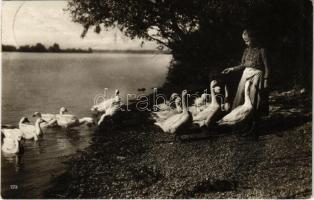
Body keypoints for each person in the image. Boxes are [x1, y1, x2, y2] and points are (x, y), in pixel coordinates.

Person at [222, 29, 269, 135]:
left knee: (253, 101)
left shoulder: (262, 50)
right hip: (246, 74)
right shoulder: (246, 50)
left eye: (247, 40)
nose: (246, 42)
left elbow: (267, 67)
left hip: (257, 75)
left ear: (253, 38)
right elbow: (243, 65)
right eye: (244, 40)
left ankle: (254, 128)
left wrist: (266, 80)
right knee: (240, 97)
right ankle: (241, 125)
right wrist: (232, 69)